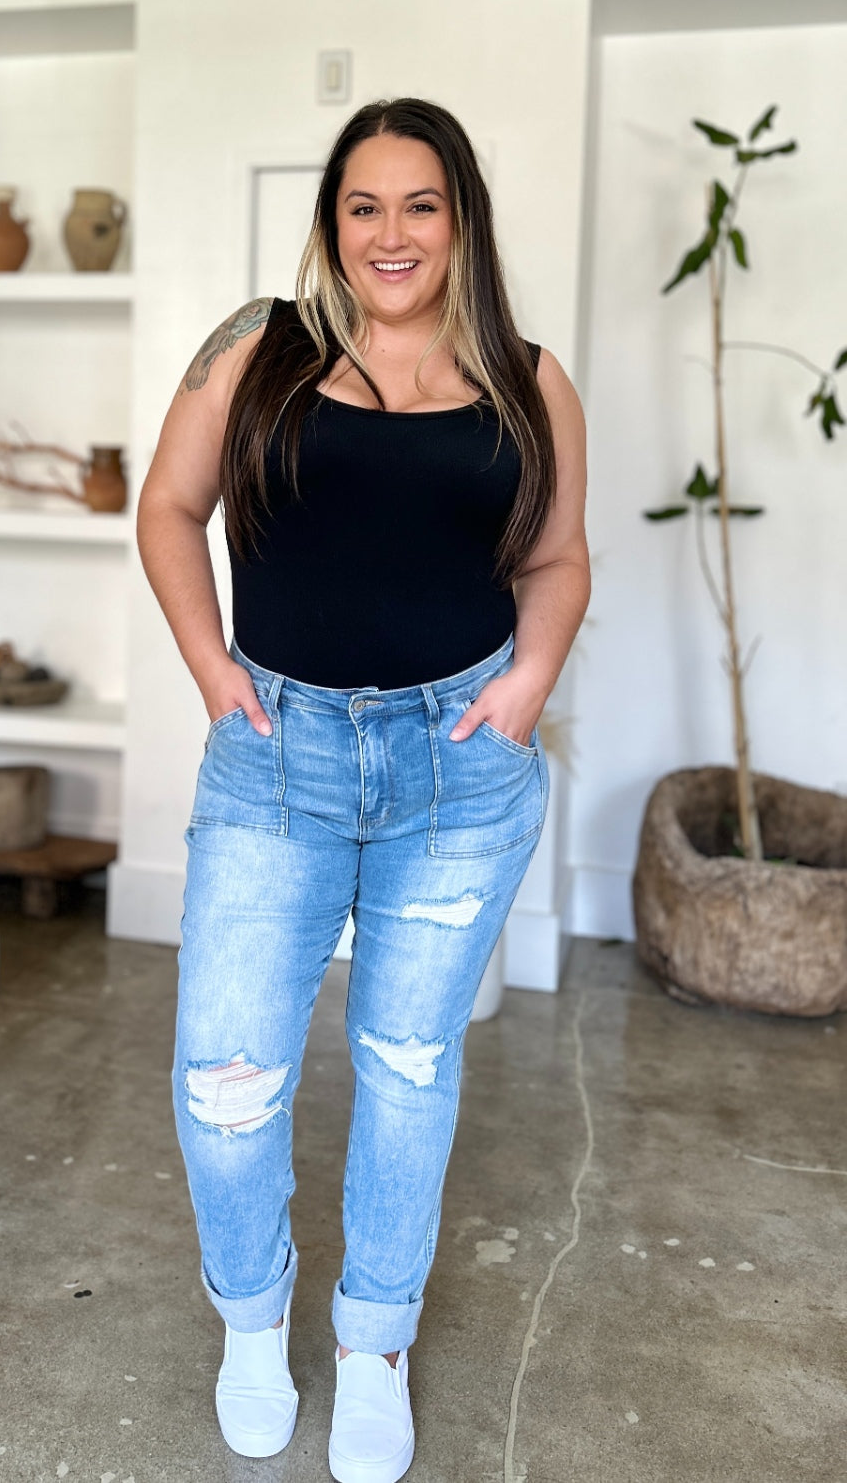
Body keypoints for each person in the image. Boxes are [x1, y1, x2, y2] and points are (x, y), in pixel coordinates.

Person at [137, 97, 589, 1483]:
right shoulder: (258, 350)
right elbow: (167, 509)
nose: (391, 233)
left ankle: (375, 1340)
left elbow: (557, 562)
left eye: (421, 205)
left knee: (404, 1071)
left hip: (457, 768)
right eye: (363, 206)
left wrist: (521, 694)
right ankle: (254, 1319)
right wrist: (216, 673)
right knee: (226, 1080)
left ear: (462, 222)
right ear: (334, 222)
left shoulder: (528, 378)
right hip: (282, 755)